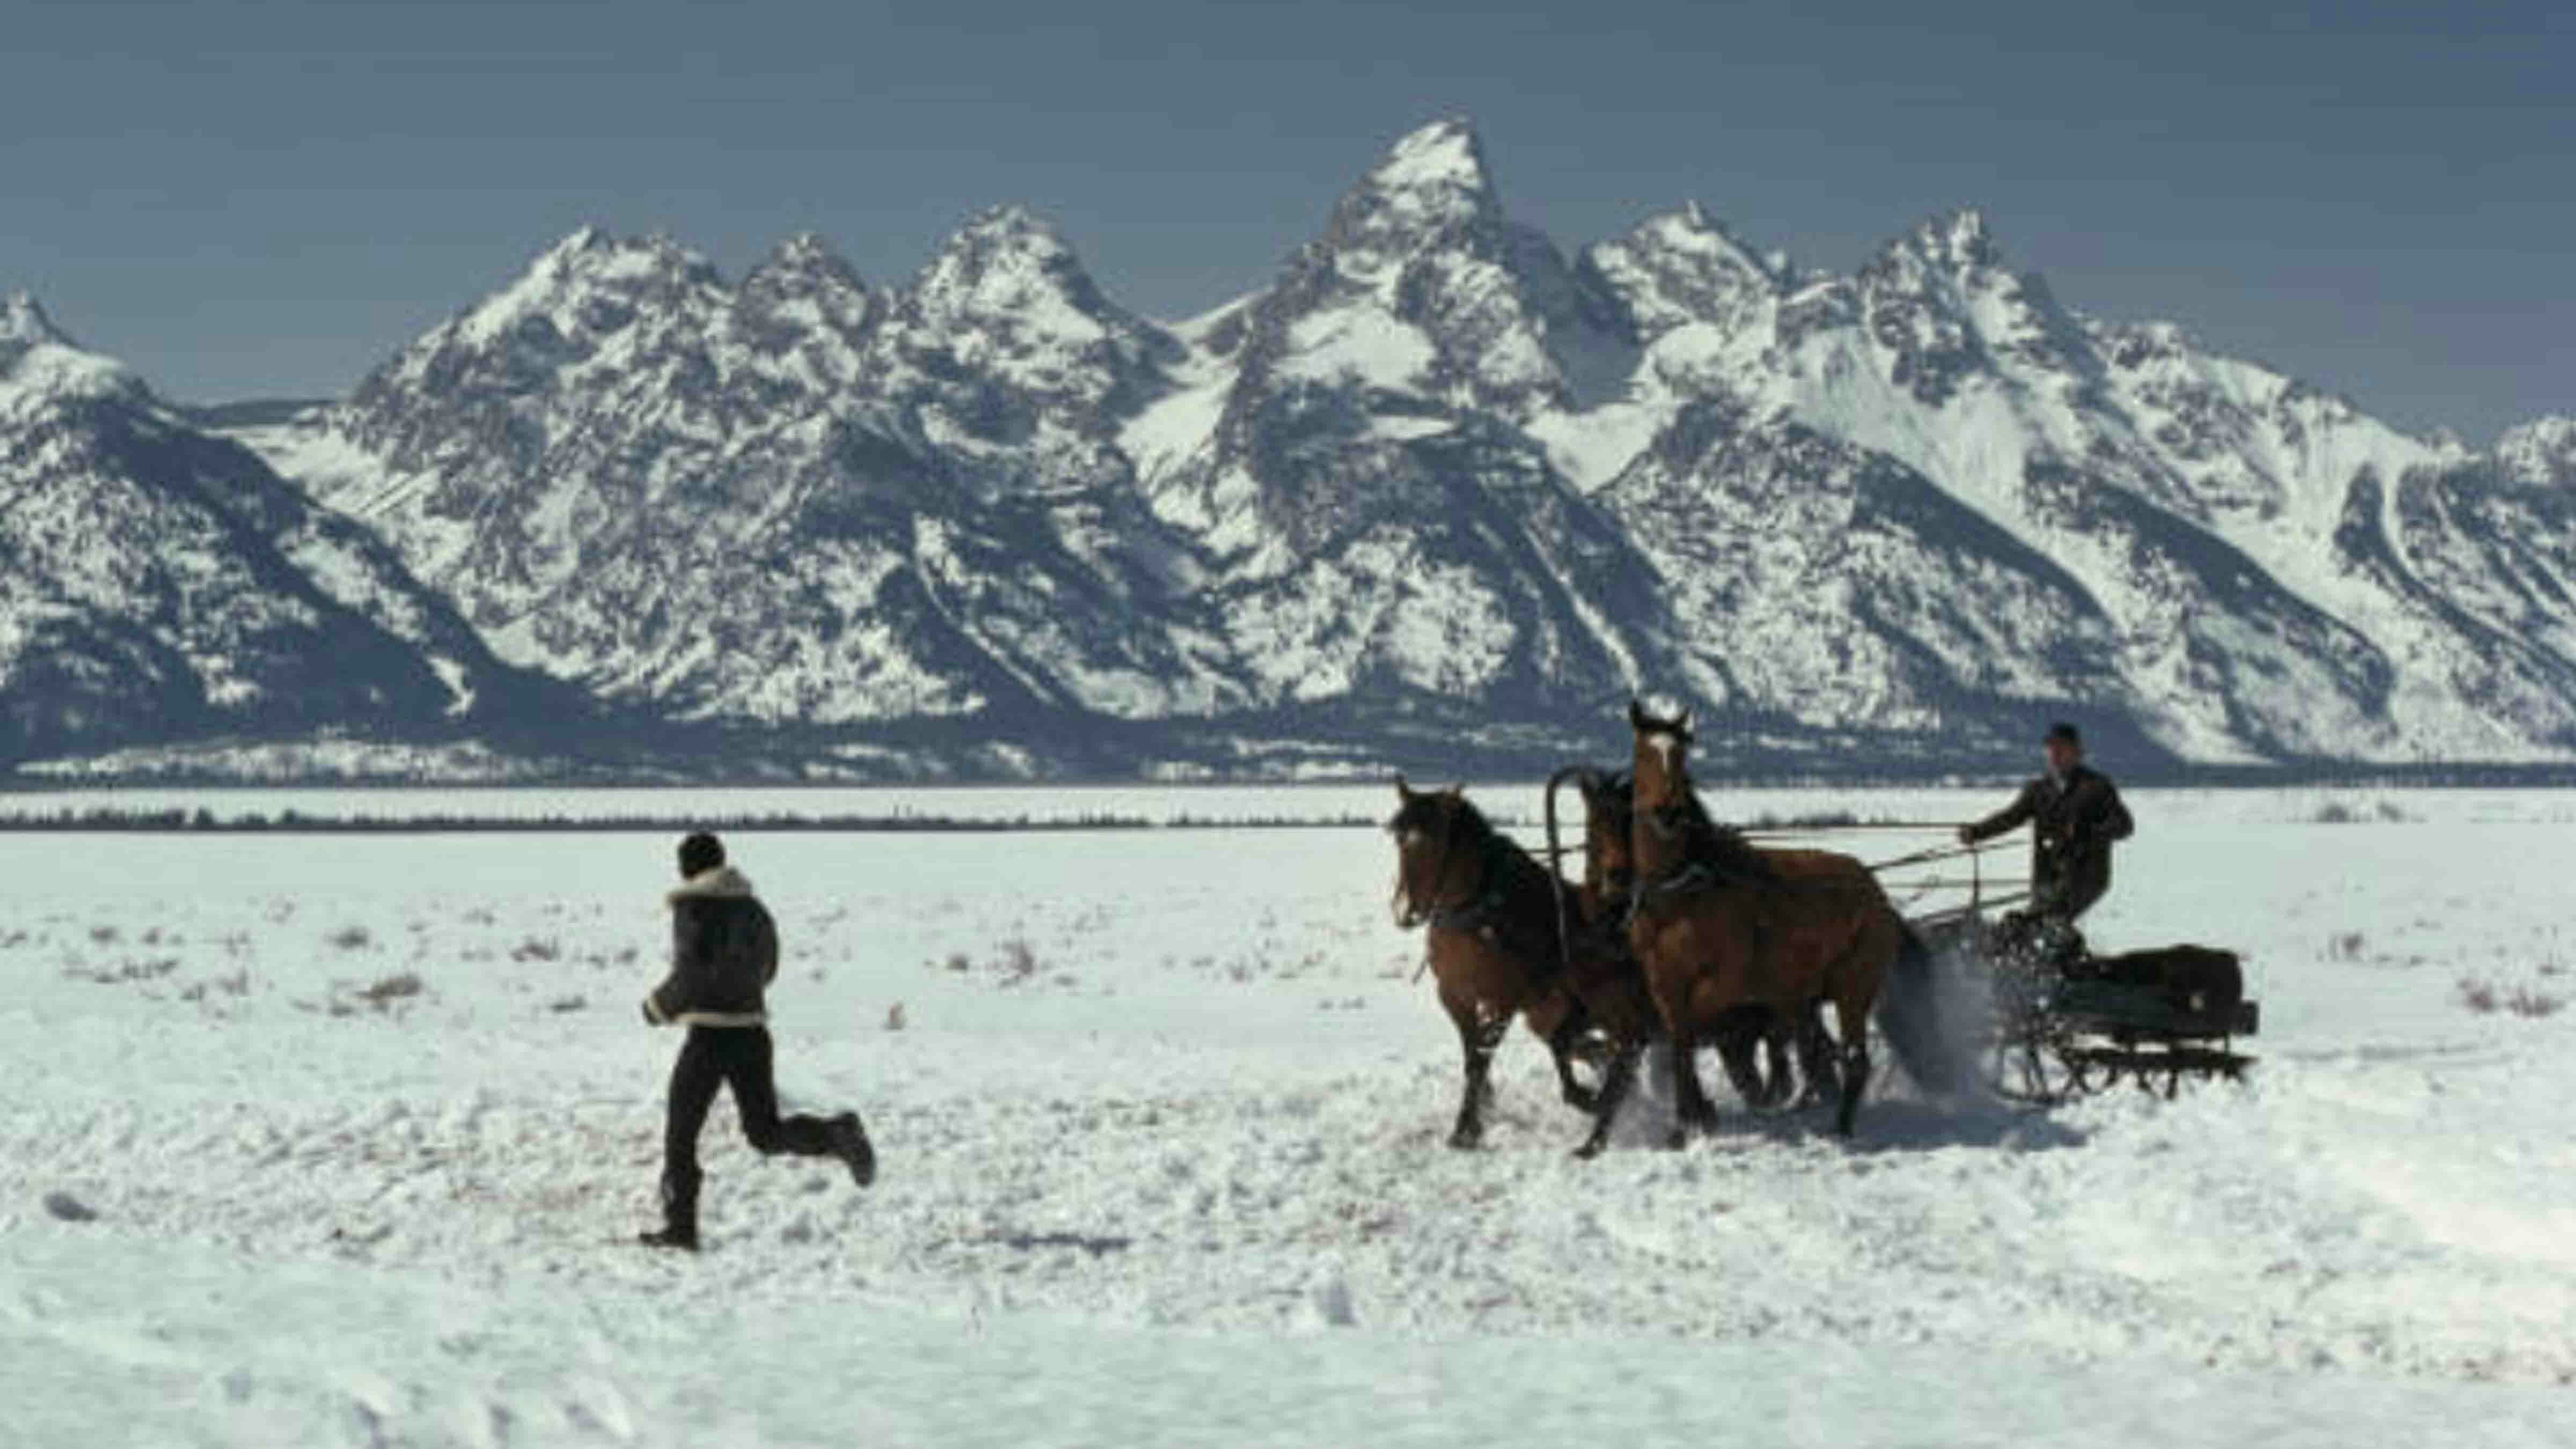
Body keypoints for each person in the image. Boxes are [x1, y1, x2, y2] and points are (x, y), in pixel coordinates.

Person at [638, 832, 874, 1252]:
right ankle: (836, 1134)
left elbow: (690, 974)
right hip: (752, 1032)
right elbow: (769, 967)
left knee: (681, 1134)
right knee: (765, 1131)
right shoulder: (754, 909)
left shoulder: (694, 907)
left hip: (709, 1038)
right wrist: (740, 993)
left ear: (689, 867)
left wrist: (657, 1008)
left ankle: (681, 1228)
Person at [1957, 722, 2133, 958]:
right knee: (2022, 928)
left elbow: (2124, 825)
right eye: (2052, 749)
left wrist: (2089, 832)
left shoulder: (2097, 788)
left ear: (2077, 752)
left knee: (2050, 924)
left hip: (2085, 877)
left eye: (2062, 749)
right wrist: (1977, 832)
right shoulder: (2038, 790)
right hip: (2046, 880)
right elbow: (2010, 818)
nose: (2055, 754)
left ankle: (2071, 971)